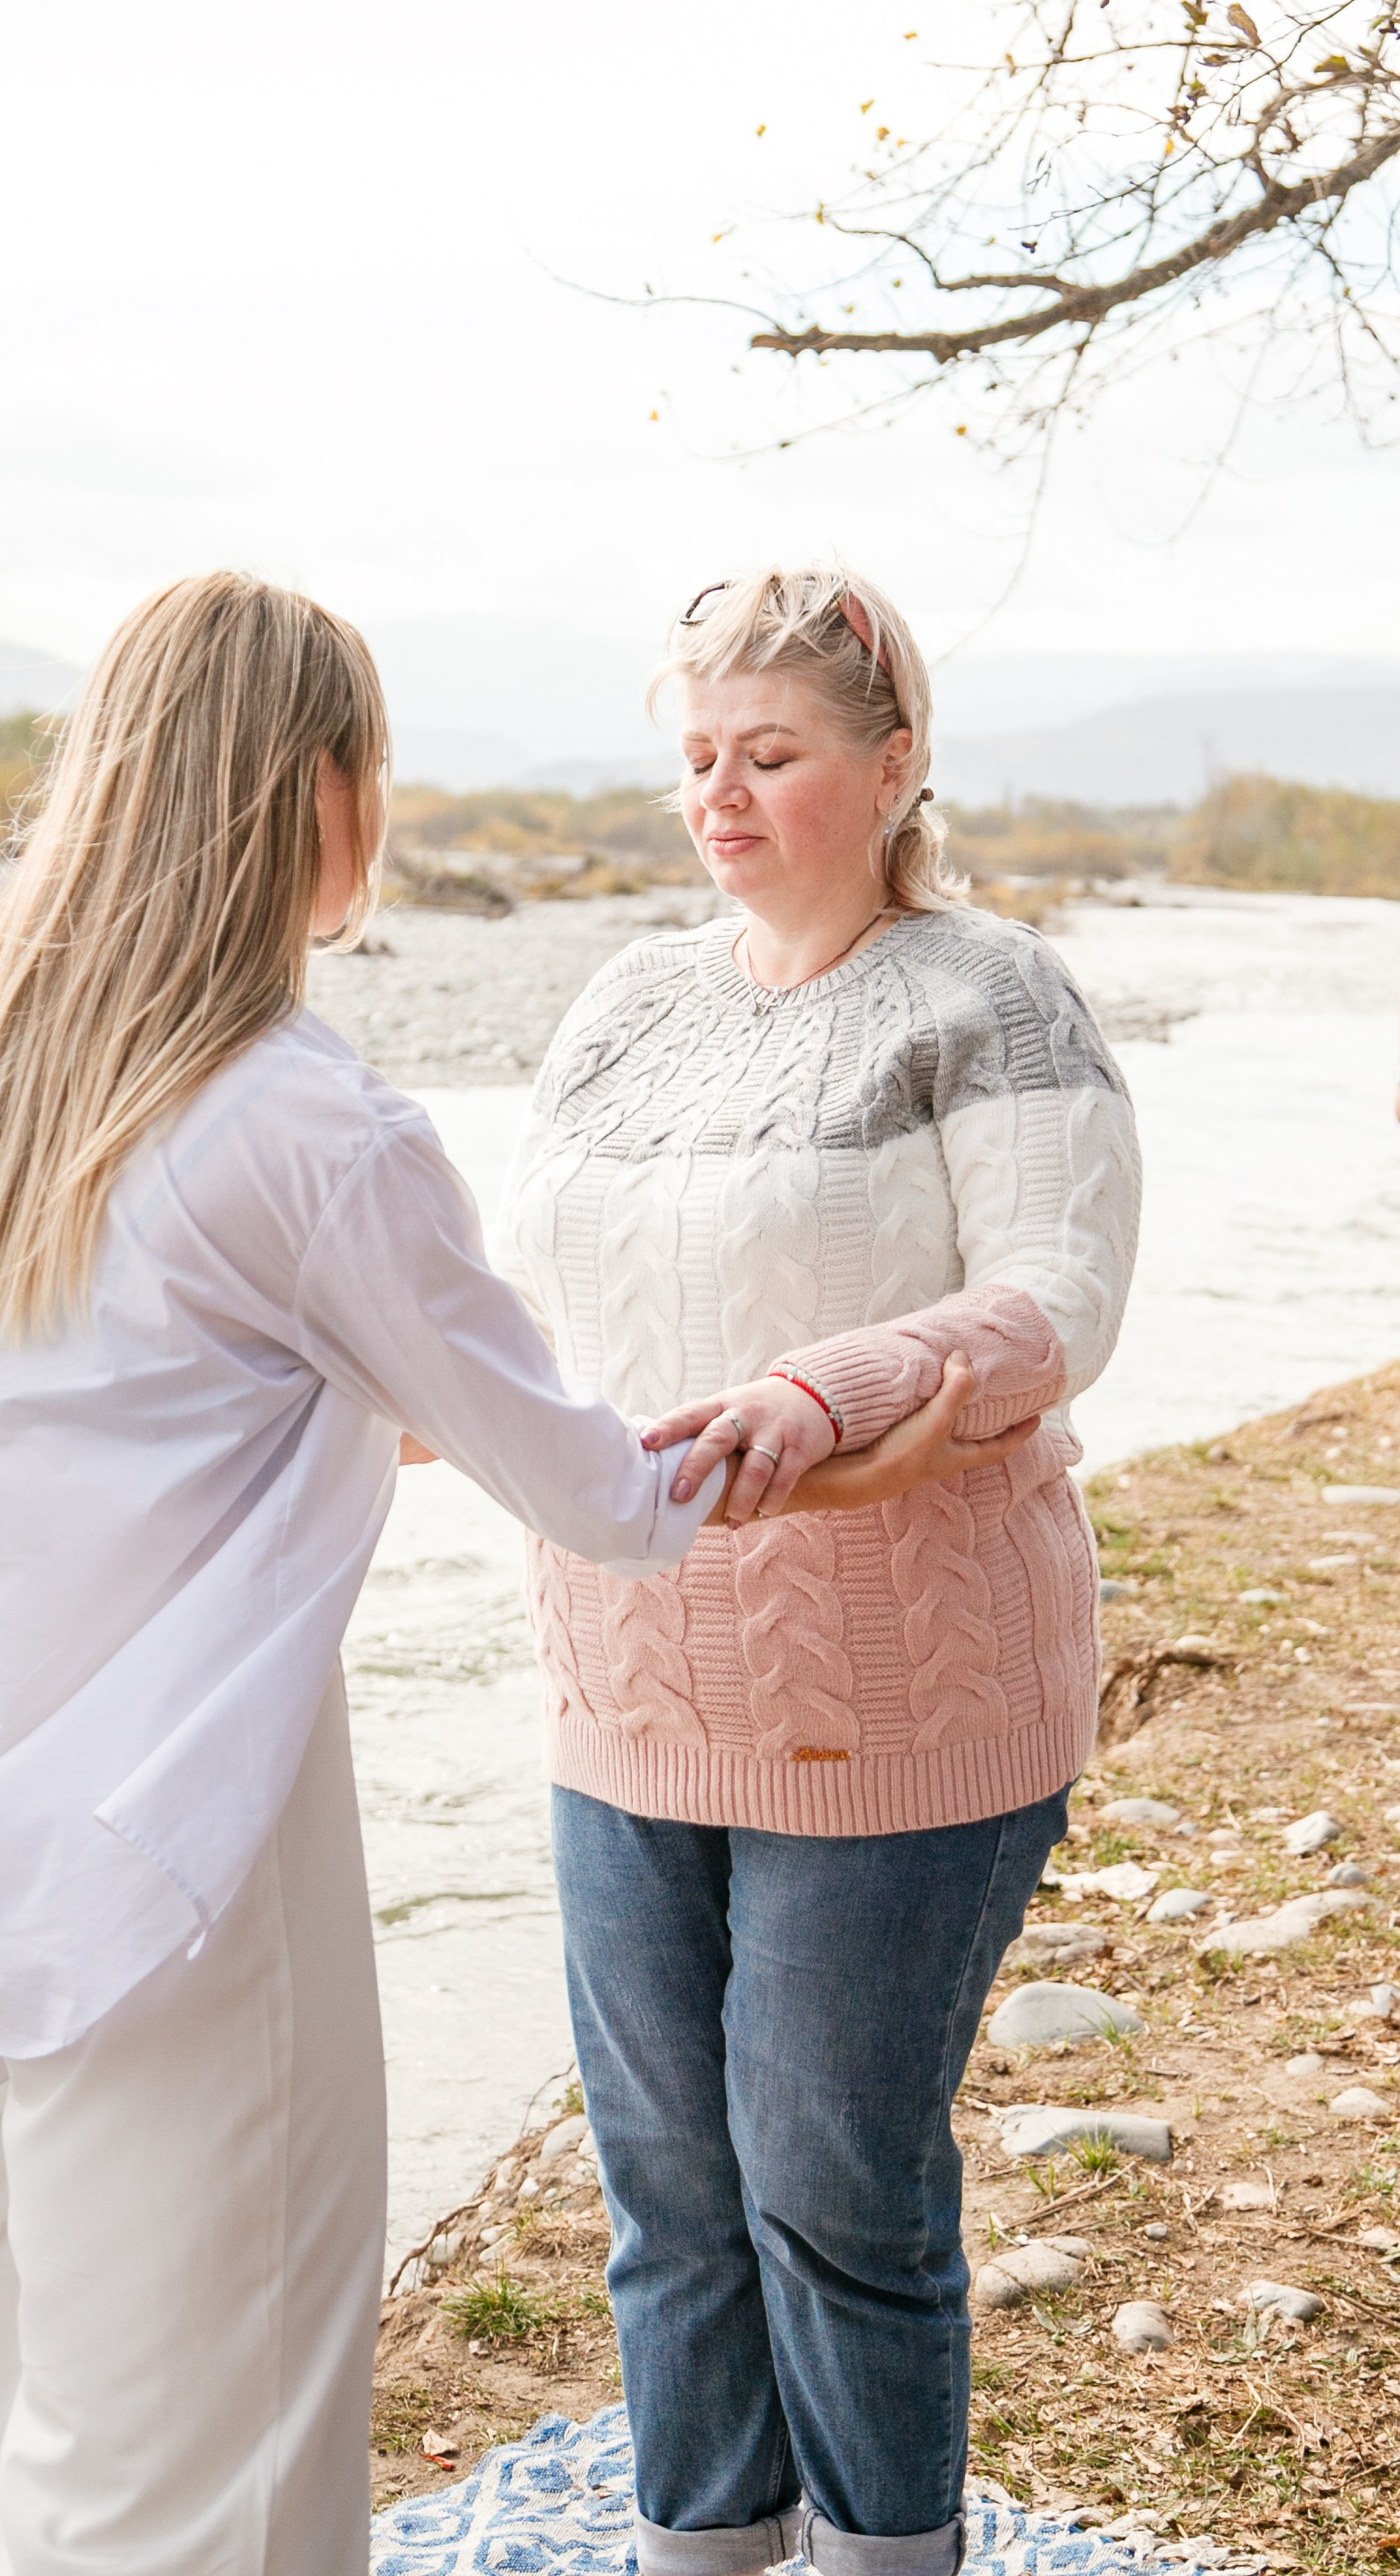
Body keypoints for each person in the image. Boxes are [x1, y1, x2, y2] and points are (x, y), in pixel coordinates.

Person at [0, 573, 1031, 2576]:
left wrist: (367, 1406)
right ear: (318, 792)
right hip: (179, 1854)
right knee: (187, 2423)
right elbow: (601, 1490)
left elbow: (143, 1416)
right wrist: (864, 1463)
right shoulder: (308, 1122)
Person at [493, 565, 1141, 2576]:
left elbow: (1058, 1297)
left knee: (831, 2187)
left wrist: (826, 1385)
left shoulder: (990, 994)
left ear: (892, 761)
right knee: (666, 2186)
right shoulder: (623, 1006)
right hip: (620, 1683)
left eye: (768, 754)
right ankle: (702, 2551)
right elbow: (522, 1296)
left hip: (901, 1700)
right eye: (696, 756)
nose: (721, 794)